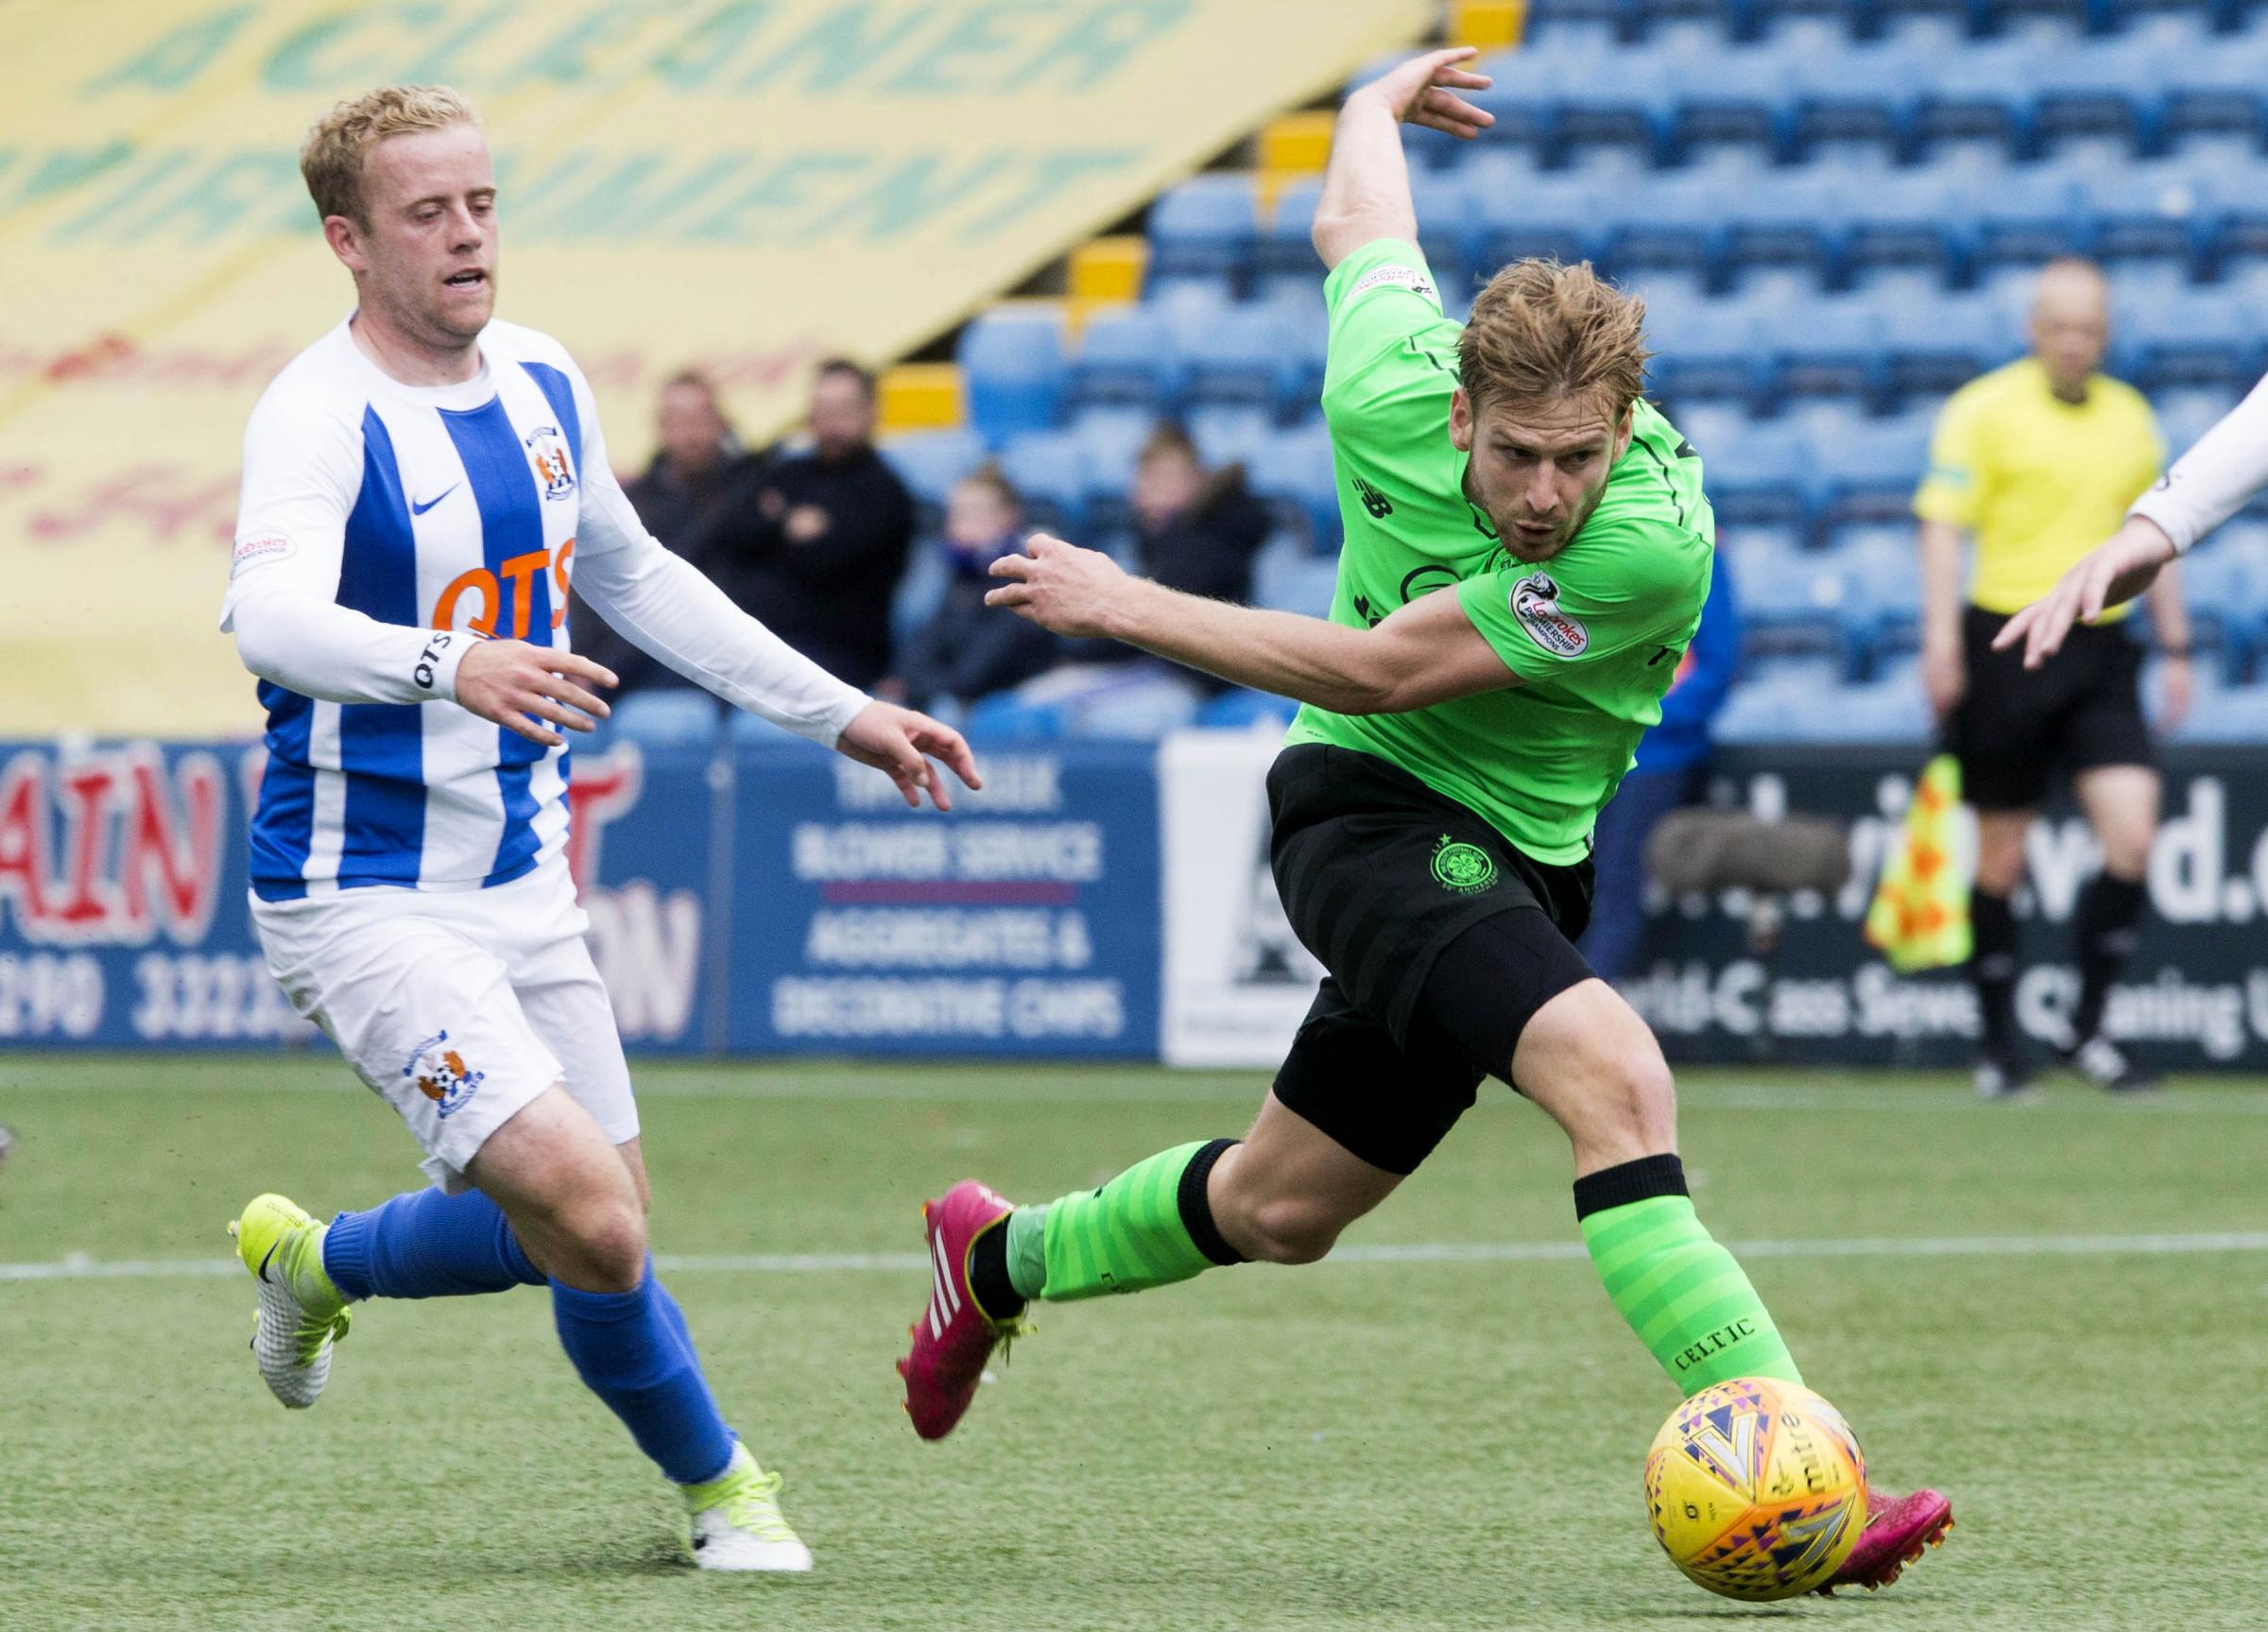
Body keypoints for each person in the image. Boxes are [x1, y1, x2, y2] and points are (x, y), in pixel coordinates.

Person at [897, 50, 1950, 1598]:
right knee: (1621, 1081)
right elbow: (1359, 238)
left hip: (1517, 850)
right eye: (1513, 453)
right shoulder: (1384, 378)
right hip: (1367, 815)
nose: (1542, 491)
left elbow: (1392, 660)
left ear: (1623, 427)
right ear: (1453, 408)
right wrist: (1369, 109)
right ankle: (1809, 1480)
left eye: (1577, 456)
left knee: (1281, 1206)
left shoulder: (1647, 547)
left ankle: (996, 1254)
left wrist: (1129, 605)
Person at [218, 85, 975, 1572]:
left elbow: (637, 578)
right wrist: (454, 658)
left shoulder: (545, 379)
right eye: (427, 213)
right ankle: (727, 1490)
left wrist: (842, 712)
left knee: (596, 1221)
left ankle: (315, 1260)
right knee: (598, 1224)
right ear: (349, 242)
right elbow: (268, 611)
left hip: (521, 871)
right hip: (357, 889)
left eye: (482, 203)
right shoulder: (317, 412)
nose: (468, 235)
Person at [1913, 258, 2189, 1098]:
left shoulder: (2132, 418)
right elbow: (1942, 529)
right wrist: (1940, 643)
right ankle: (1998, 1043)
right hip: (2007, 638)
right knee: (2002, 857)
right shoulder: (1983, 411)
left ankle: (2087, 1028)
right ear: (2035, 329)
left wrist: (2175, 643)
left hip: (2102, 645)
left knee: (2134, 837)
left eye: (2090, 328)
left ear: (2106, 336)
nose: (2076, 342)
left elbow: (2160, 528)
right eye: (2061, 326)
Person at [700, 359, 915, 690]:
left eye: (844, 409)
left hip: (841, 655)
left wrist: (774, 522)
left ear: (871, 411)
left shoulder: (884, 490)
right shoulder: (788, 472)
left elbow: (823, 562)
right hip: (762, 642)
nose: (832, 424)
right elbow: (729, 534)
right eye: (822, 410)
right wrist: (788, 524)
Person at [1580, 555, 1740, 983]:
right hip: (1586, 753)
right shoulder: (1594, 543)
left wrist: (1638, 715)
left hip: (1654, 758)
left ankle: (1583, 1022)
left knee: (1615, 891)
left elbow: (1717, 668)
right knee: (1570, 889)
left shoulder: (1701, 549)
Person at [567, 369, 752, 694]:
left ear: (722, 423)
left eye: (700, 419)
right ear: (660, 427)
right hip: (639, 661)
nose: (691, 433)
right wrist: (588, 662)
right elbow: (607, 590)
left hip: (727, 659)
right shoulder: (634, 503)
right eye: (678, 421)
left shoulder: (752, 495)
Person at [889, 465, 1062, 713]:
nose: (959, 525)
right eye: (955, 514)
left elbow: (980, 671)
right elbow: (923, 646)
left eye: (973, 514)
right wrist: (915, 684)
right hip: (952, 693)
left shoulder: (1027, 577)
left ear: (1009, 516)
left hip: (1011, 701)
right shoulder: (959, 577)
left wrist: (927, 689)